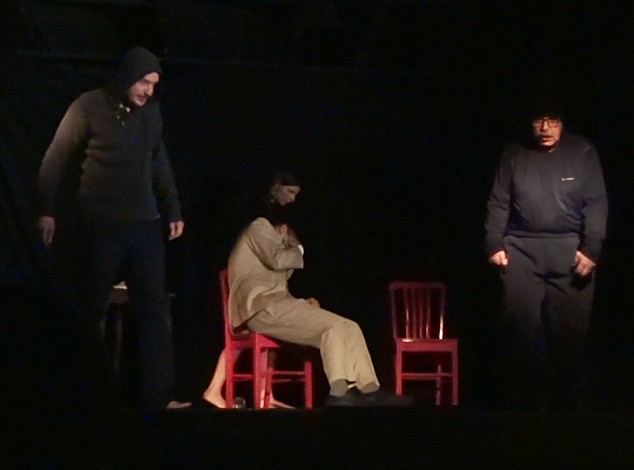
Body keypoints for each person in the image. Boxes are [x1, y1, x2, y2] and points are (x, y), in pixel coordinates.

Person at [37, 46, 189, 410]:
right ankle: (80, 393)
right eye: (144, 82)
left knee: (153, 308)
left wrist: (172, 209)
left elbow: (160, 162)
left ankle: (158, 397)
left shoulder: (150, 113)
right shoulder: (88, 106)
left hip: (144, 224)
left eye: (154, 84)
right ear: (127, 77)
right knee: (91, 308)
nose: (149, 90)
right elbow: (56, 158)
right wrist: (45, 210)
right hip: (101, 222)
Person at [219, 173, 412, 407]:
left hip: (278, 304)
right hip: (262, 307)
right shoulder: (259, 226)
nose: (292, 200)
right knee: (332, 328)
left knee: (350, 327)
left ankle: (369, 389)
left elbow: (280, 275)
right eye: (290, 193)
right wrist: (297, 248)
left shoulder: (269, 237)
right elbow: (278, 262)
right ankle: (339, 392)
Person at [484, 100, 608, 410]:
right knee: (518, 329)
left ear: (562, 122)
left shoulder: (582, 153)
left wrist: (591, 250)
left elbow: (596, 203)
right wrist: (494, 243)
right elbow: (499, 200)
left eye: (552, 121)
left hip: (569, 250)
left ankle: (564, 406)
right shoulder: (514, 154)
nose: (545, 128)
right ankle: (518, 405)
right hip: (522, 248)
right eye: (539, 120)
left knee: (568, 335)